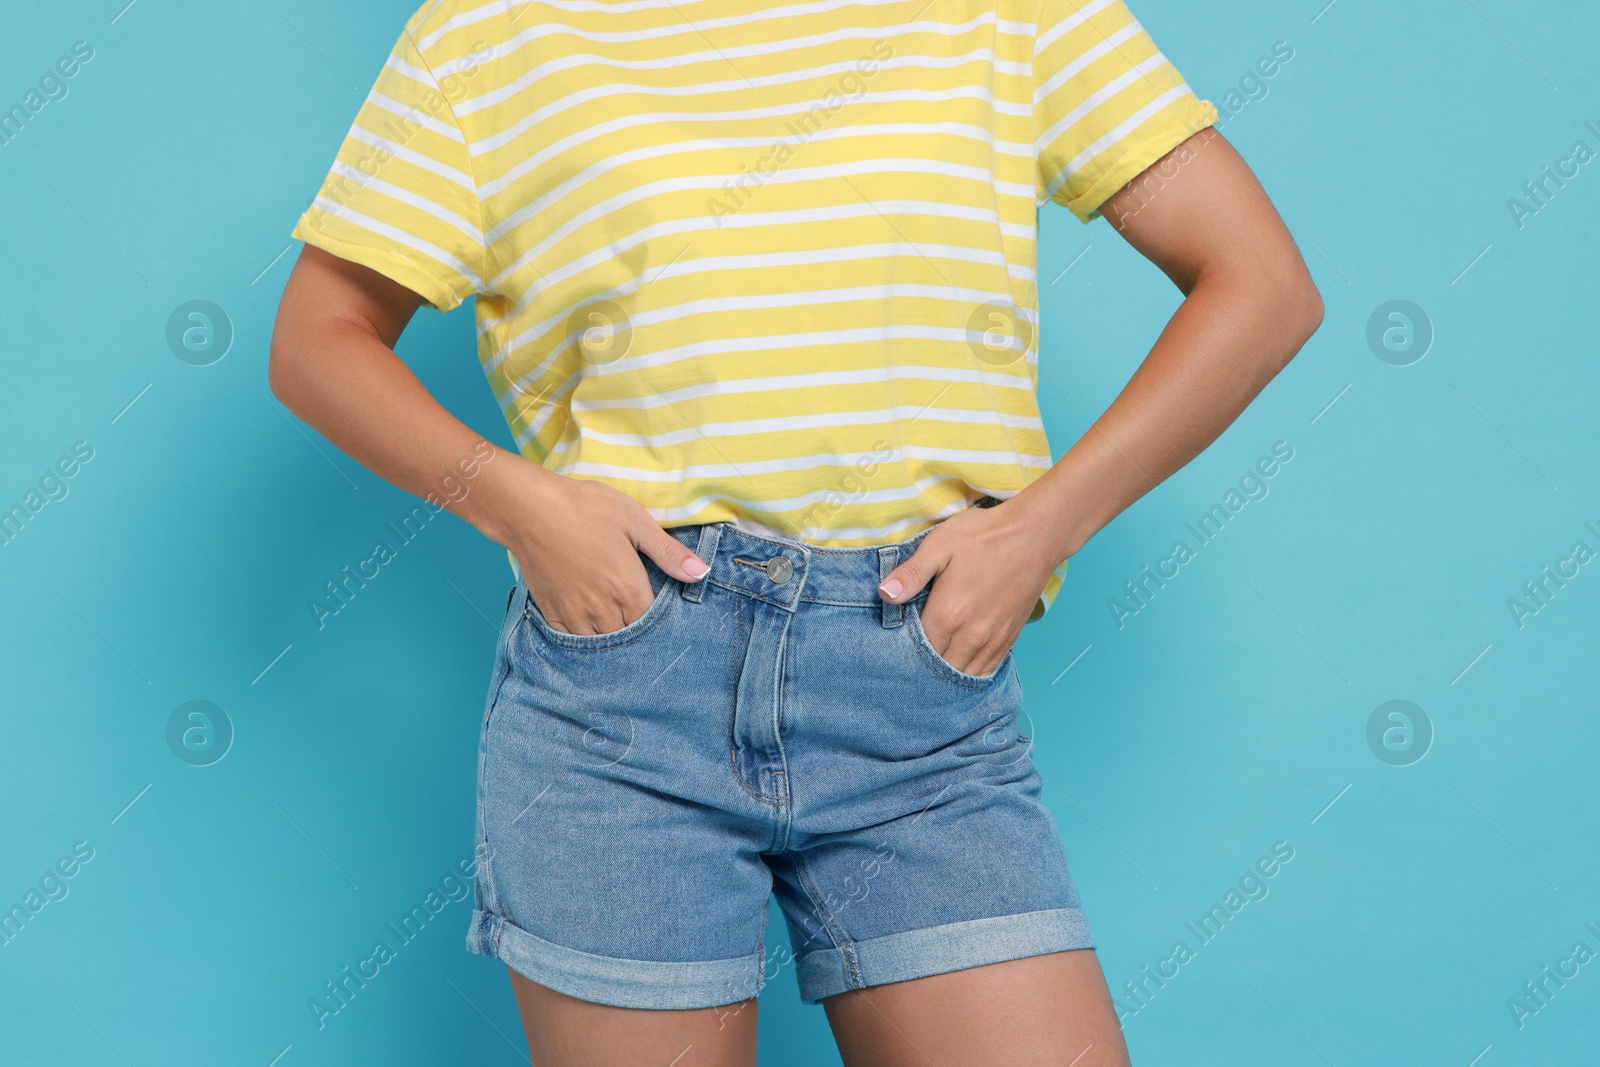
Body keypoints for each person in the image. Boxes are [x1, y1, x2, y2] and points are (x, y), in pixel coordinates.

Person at [269, 0, 1322, 1061]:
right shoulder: (485, 35)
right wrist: (524, 504)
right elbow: (319, 340)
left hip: (917, 688)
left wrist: (1040, 528)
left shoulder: (1010, 14)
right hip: (627, 695)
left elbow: (1262, 284)